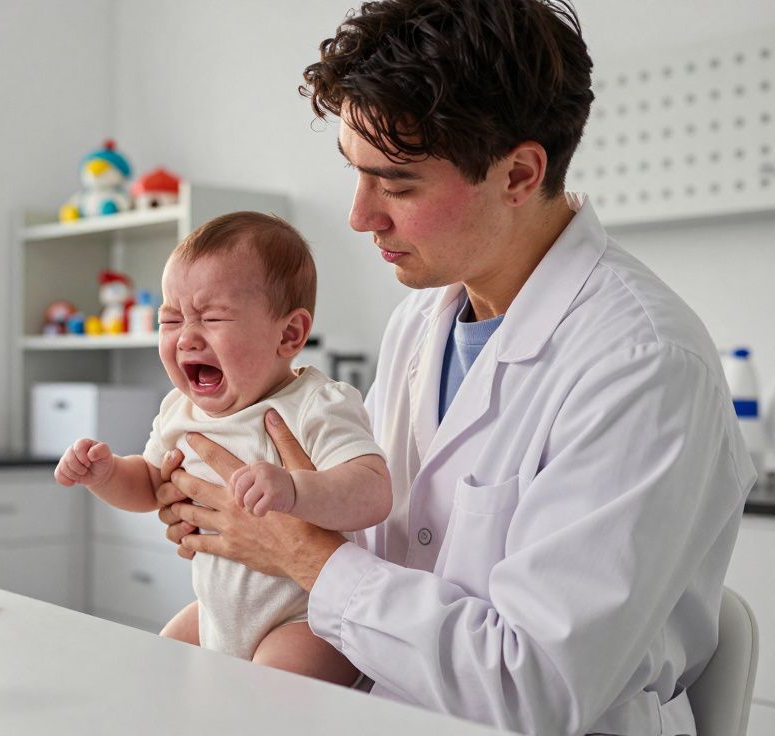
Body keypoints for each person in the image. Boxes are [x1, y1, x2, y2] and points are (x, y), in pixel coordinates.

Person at [154, 1, 756, 734]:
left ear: (518, 174)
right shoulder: (420, 321)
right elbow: (375, 543)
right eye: (356, 173)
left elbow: (532, 687)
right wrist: (245, 530)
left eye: (397, 184)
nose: (360, 215)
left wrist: (301, 554)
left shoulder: (644, 366)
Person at [55, 211, 392, 684]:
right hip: (215, 612)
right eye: (171, 319)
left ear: (289, 334)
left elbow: (373, 492)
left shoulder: (316, 404)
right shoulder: (179, 409)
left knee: (265, 698)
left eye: (212, 318)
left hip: (304, 619)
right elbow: (149, 485)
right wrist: (106, 475)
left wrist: (296, 490)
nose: (186, 337)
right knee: (158, 670)